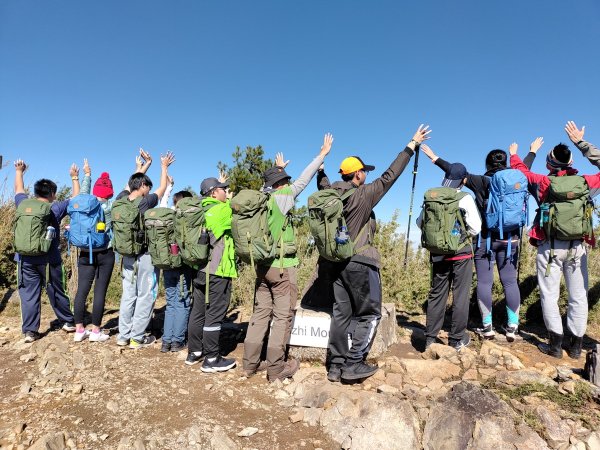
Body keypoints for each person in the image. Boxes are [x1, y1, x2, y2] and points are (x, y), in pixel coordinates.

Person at [318, 125, 430, 383]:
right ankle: (354, 363)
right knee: (370, 313)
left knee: (341, 314)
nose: (367, 175)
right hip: (360, 263)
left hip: (334, 264)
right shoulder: (365, 195)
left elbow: (322, 182)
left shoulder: (329, 194)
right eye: (364, 171)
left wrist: (321, 164)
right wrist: (411, 145)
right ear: (356, 174)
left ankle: (335, 366)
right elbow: (391, 175)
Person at [419, 139, 542, 341]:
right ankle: (512, 326)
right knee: (510, 282)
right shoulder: (516, 177)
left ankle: (487, 327)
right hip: (509, 239)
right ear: (506, 165)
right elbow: (524, 167)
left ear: (487, 164)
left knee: (485, 282)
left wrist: (435, 159)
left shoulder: (480, 181)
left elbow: (457, 172)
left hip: (484, 239)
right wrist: (531, 152)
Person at [243, 134, 333, 382]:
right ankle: (276, 369)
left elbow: (271, 184)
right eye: (285, 181)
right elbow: (304, 180)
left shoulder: (262, 199)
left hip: (262, 266)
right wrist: (322, 155)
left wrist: (278, 169)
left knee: (260, 313)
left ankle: (250, 364)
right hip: (282, 267)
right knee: (283, 317)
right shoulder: (283, 197)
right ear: (282, 184)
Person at [510, 135, 600, 359]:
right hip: (577, 247)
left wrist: (518, 154)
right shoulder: (585, 182)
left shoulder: (543, 182)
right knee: (578, 295)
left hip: (549, 247)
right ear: (570, 163)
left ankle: (555, 346)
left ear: (549, 164)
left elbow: (519, 172)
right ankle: (577, 346)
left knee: (549, 294)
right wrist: (583, 144)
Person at [417, 162, 482, 351]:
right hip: (460, 253)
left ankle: (430, 338)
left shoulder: (432, 196)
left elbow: (420, 223)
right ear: (464, 180)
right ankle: (456, 340)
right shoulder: (464, 197)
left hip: (438, 254)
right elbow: (476, 228)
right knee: (460, 296)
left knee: (437, 294)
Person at [14, 159, 80, 342]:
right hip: (50, 259)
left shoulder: (23, 204)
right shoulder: (55, 208)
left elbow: (19, 190)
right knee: (57, 290)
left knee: (28, 294)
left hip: (24, 259)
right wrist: (75, 178)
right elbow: (75, 198)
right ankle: (67, 321)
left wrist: (19, 171)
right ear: (52, 193)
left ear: (35, 192)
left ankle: (30, 331)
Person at [115, 150, 175, 349]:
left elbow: (129, 182)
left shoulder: (120, 200)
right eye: (146, 187)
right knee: (146, 295)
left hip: (126, 255)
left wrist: (144, 165)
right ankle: (137, 338)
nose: (149, 191)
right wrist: (164, 166)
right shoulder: (146, 201)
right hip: (145, 255)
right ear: (142, 187)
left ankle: (123, 335)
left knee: (128, 295)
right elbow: (163, 187)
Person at [185, 173, 238, 372]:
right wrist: (230, 200)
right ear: (214, 193)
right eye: (223, 189)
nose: (226, 191)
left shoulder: (197, 209)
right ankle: (212, 359)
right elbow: (237, 212)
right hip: (218, 270)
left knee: (198, 312)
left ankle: (194, 352)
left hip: (198, 268)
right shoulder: (222, 210)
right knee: (215, 314)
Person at [72, 158, 116, 342]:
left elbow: (82, 191)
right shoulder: (111, 207)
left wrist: (87, 174)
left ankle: (79, 330)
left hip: (85, 251)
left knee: (82, 290)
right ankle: (96, 331)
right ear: (110, 192)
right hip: (105, 251)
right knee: (100, 291)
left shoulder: (85, 203)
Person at [160, 184, 195, 353]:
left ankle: (166, 341)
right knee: (182, 302)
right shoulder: (184, 218)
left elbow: (162, 202)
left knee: (171, 304)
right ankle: (177, 341)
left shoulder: (166, 215)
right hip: (182, 266)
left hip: (166, 265)